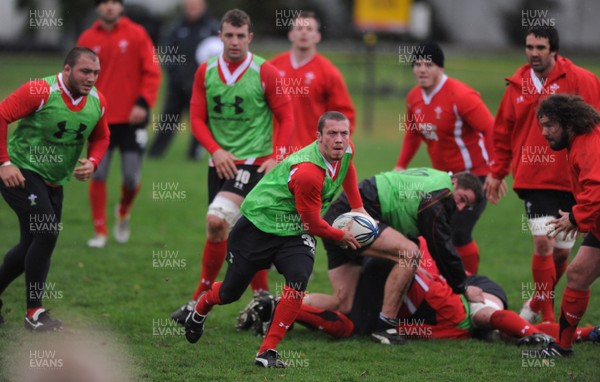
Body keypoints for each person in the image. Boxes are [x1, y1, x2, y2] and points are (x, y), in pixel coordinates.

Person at [184, 111, 365, 368]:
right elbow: (313, 224)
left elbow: (347, 169)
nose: (339, 139)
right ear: (319, 137)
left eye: (344, 133)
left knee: (298, 279)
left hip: (292, 231)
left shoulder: (345, 151)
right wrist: (341, 236)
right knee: (230, 292)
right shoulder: (308, 173)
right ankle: (200, 308)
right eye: (332, 134)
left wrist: (358, 208)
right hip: (257, 227)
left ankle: (267, 351)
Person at [170, 9, 294, 324]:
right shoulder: (205, 72)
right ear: (220, 36)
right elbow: (196, 119)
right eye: (229, 35)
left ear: (250, 37)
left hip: (253, 163)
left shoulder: (265, 72)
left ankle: (199, 299)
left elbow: (287, 116)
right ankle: (262, 299)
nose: (235, 41)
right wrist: (215, 150)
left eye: (241, 36)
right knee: (240, 234)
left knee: (216, 222)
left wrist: (276, 156)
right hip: (219, 164)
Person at [483, 27, 600, 324]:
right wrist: (497, 173)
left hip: (572, 179)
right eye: (529, 46)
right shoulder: (516, 86)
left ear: (554, 50)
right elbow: (502, 132)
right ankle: (547, 318)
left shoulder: (582, 80)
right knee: (543, 245)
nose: (534, 53)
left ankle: (536, 301)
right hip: (534, 179)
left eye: (540, 47)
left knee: (562, 256)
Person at [273, 241, 600, 345]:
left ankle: (533, 331)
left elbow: (422, 251)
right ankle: (585, 333)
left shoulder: (452, 318)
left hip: (472, 291)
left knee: (485, 318)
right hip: (460, 289)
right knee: (493, 329)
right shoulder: (399, 264)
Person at [305, 167, 485, 344]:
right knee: (410, 254)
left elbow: (404, 212)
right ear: (454, 182)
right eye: (462, 198)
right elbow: (441, 246)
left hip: (340, 215)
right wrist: (463, 286)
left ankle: (284, 304)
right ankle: (385, 327)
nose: (460, 207)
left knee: (343, 304)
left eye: (466, 206)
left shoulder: (435, 178)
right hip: (356, 213)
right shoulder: (440, 194)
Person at [0, 47, 110, 330]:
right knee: (47, 232)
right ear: (67, 70)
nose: (91, 78)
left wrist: (94, 162)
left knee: (31, 244)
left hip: (54, 180)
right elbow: (1, 115)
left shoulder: (97, 101)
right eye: (85, 71)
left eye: (95, 72)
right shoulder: (40, 90)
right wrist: (4, 163)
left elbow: (101, 137)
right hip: (22, 172)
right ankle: (34, 313)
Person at [395, 41, 498, 274]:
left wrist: (495, 170)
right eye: (417, 64)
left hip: (475, 175)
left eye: (428, 64)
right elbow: (413, 133)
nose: (422, 69)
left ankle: (469, 283)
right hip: (444, 179)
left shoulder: (460, 95)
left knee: (459, 232)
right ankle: (444, 285)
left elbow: (491, 128)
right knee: (435, 232)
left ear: (440, 68)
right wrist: (401, 165)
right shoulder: (414, 97)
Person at [77, 0, 161, 248]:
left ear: (121, 6)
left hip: (132, 119)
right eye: (104, 3)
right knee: (98, 173)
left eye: (114, 2)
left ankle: (123, 211)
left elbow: (152, 71)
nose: (110, 7)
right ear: (97, 7)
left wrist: (143, 103)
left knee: (132, 178)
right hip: (98, 117)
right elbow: (75, 75)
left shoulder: (137, 34)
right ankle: (100, 230)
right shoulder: (88, 37)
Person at [525, 94, 600, 357]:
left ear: (568, 123)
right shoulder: (580, 140)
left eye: (549, 126)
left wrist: (576, 217)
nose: (543, 133)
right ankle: (562, 347)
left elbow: (596, 189)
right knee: (578, 274)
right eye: (542, 125)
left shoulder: (588, 144)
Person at [269, 11, 355, 153]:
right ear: (291, 34)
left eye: (309, 29)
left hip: (312, 154)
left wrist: (332, 145)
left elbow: (344, 116)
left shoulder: (328, 72)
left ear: (317, 36)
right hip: (274, 153)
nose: (304, 33)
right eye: (299, 29)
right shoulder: (272, 67)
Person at [147, 0, 220, 159]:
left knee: (199, 121)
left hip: (202, 85)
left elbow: (221, 57)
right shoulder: (176, 27)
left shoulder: (213, 29)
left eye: (195, 6)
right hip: (177, 85)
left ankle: (194, 155)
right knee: (168, 119)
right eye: (189, 6)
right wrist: (179, 77)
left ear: (203, 6)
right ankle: (155, 154)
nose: (192, 9)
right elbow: (167, 55)